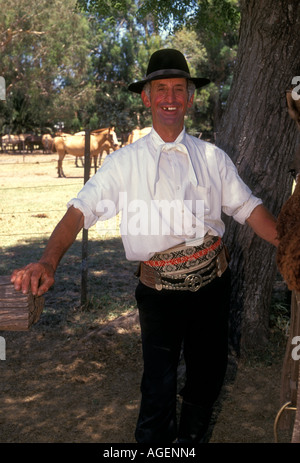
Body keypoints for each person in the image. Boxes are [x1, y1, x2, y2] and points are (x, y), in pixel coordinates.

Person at [11, 49, 279, 443]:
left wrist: (291, 247)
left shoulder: (212, 158)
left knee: (208, 377)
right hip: (158, 294)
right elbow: (80, 210)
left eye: (178, 89)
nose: (170, 97)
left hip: (213, 286)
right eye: (161, 89)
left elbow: (248, 208)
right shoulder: (124, 163)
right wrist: (48, 261)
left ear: (190, 97)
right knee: (158, 385)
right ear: (147, 98)